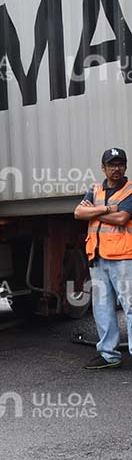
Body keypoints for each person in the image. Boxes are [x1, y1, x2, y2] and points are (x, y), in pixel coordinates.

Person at [74, 147, 132, 370]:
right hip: (97, 257)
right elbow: (78, 213)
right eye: (112, 165)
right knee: (102, 307)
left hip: (124, 257)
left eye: (120, 164)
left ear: (125, 166)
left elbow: (121, 218)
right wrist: (108, 208)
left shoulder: (129, 190)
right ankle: (109, 355)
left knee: (130, 307)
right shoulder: (95, 189)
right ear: (103, 168)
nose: (116, 169)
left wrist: (95, 211)